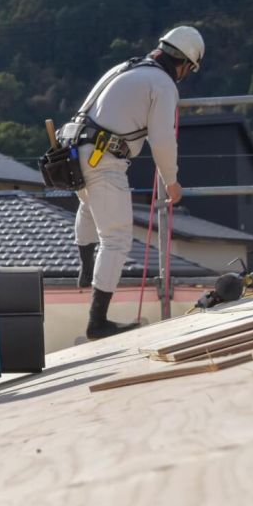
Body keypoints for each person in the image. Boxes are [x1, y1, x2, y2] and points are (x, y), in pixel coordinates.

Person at [71, 25, 204, 340]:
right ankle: (97, 321)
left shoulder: (125, 67)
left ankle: (86, 267)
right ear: (185, 64)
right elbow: (161, 139)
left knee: (89, 205)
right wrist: (171, 182)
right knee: (116, 239)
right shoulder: (163, 84)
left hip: (74, 152)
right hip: (103, 159)